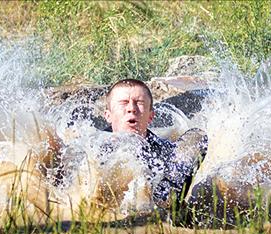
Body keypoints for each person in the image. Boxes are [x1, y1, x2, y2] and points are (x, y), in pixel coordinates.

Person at [44, 78, 208, 210]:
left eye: (140, 103)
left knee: (197, 137)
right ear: (107, 115)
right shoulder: (90, 148)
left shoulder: (163, 151)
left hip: (158, 198)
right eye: (123, 103)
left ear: (151, 116)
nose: (132, 108)